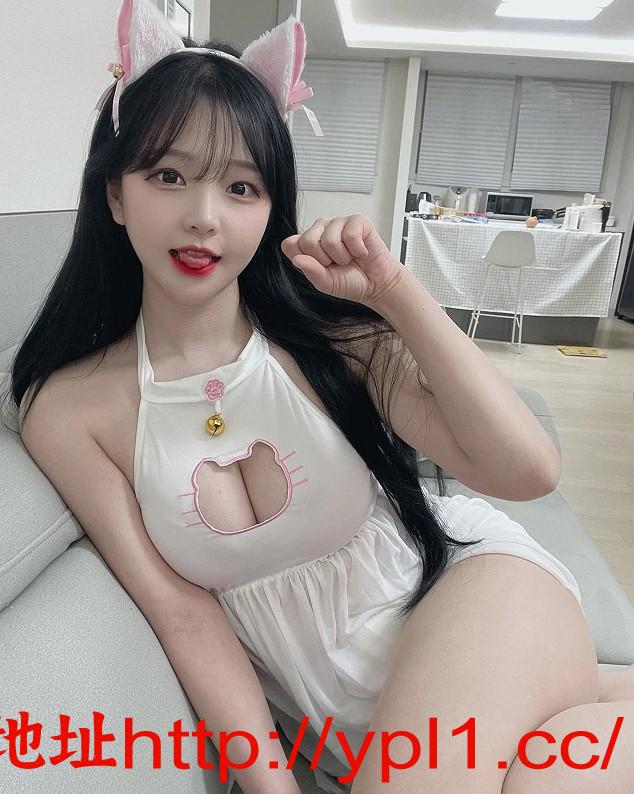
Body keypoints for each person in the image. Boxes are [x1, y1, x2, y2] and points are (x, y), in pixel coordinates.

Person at [4, 1, 634, 792]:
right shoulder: (69, 410)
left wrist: (395, 291)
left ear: (271, 208)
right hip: (375, 736)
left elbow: (528, 470)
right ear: (115, 194)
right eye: (168, 175)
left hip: (479, 599)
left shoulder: (329, 342)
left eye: (242, 186)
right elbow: (183, 614)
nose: (204, 218)